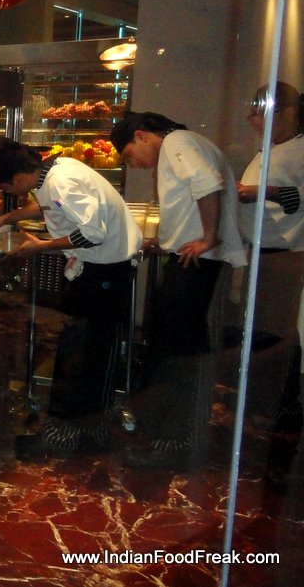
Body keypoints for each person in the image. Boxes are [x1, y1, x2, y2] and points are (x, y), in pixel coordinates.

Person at [0, 140, 142, 459]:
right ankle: (88, 433)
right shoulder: (54, 172)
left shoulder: (60, 181)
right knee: (89, 355)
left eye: (5, 187)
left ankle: (67, 437)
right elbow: (51, 206)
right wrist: (7, 218)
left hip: (103, 273)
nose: (8, 191)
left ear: (18, 179)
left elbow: (93, 233)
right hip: (103, 270)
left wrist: (40, 246)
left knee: (82, 355)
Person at [110, 111, 247, 469]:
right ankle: (172, 431)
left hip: (195, 260)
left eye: (129, 156)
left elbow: (207, 185)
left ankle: (174, 440)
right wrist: (168, 241)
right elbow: (191, 198)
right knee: (176, 343)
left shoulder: (176, 141)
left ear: (141, 135)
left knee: (178, 350)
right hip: (190, 256)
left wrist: (207, 238)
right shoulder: (189, 141)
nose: (134, 165)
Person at [237, 82, 304, 454]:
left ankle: (281, 407)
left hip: (284, 253)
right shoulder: (270, 150)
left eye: (257, 113)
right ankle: (264, 402)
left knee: (276, 333)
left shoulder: (299, 150)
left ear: (283, 112)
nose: (252, 121)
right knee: (261, 330)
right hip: (261, 252)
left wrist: (260, 192)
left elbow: (297, 198)